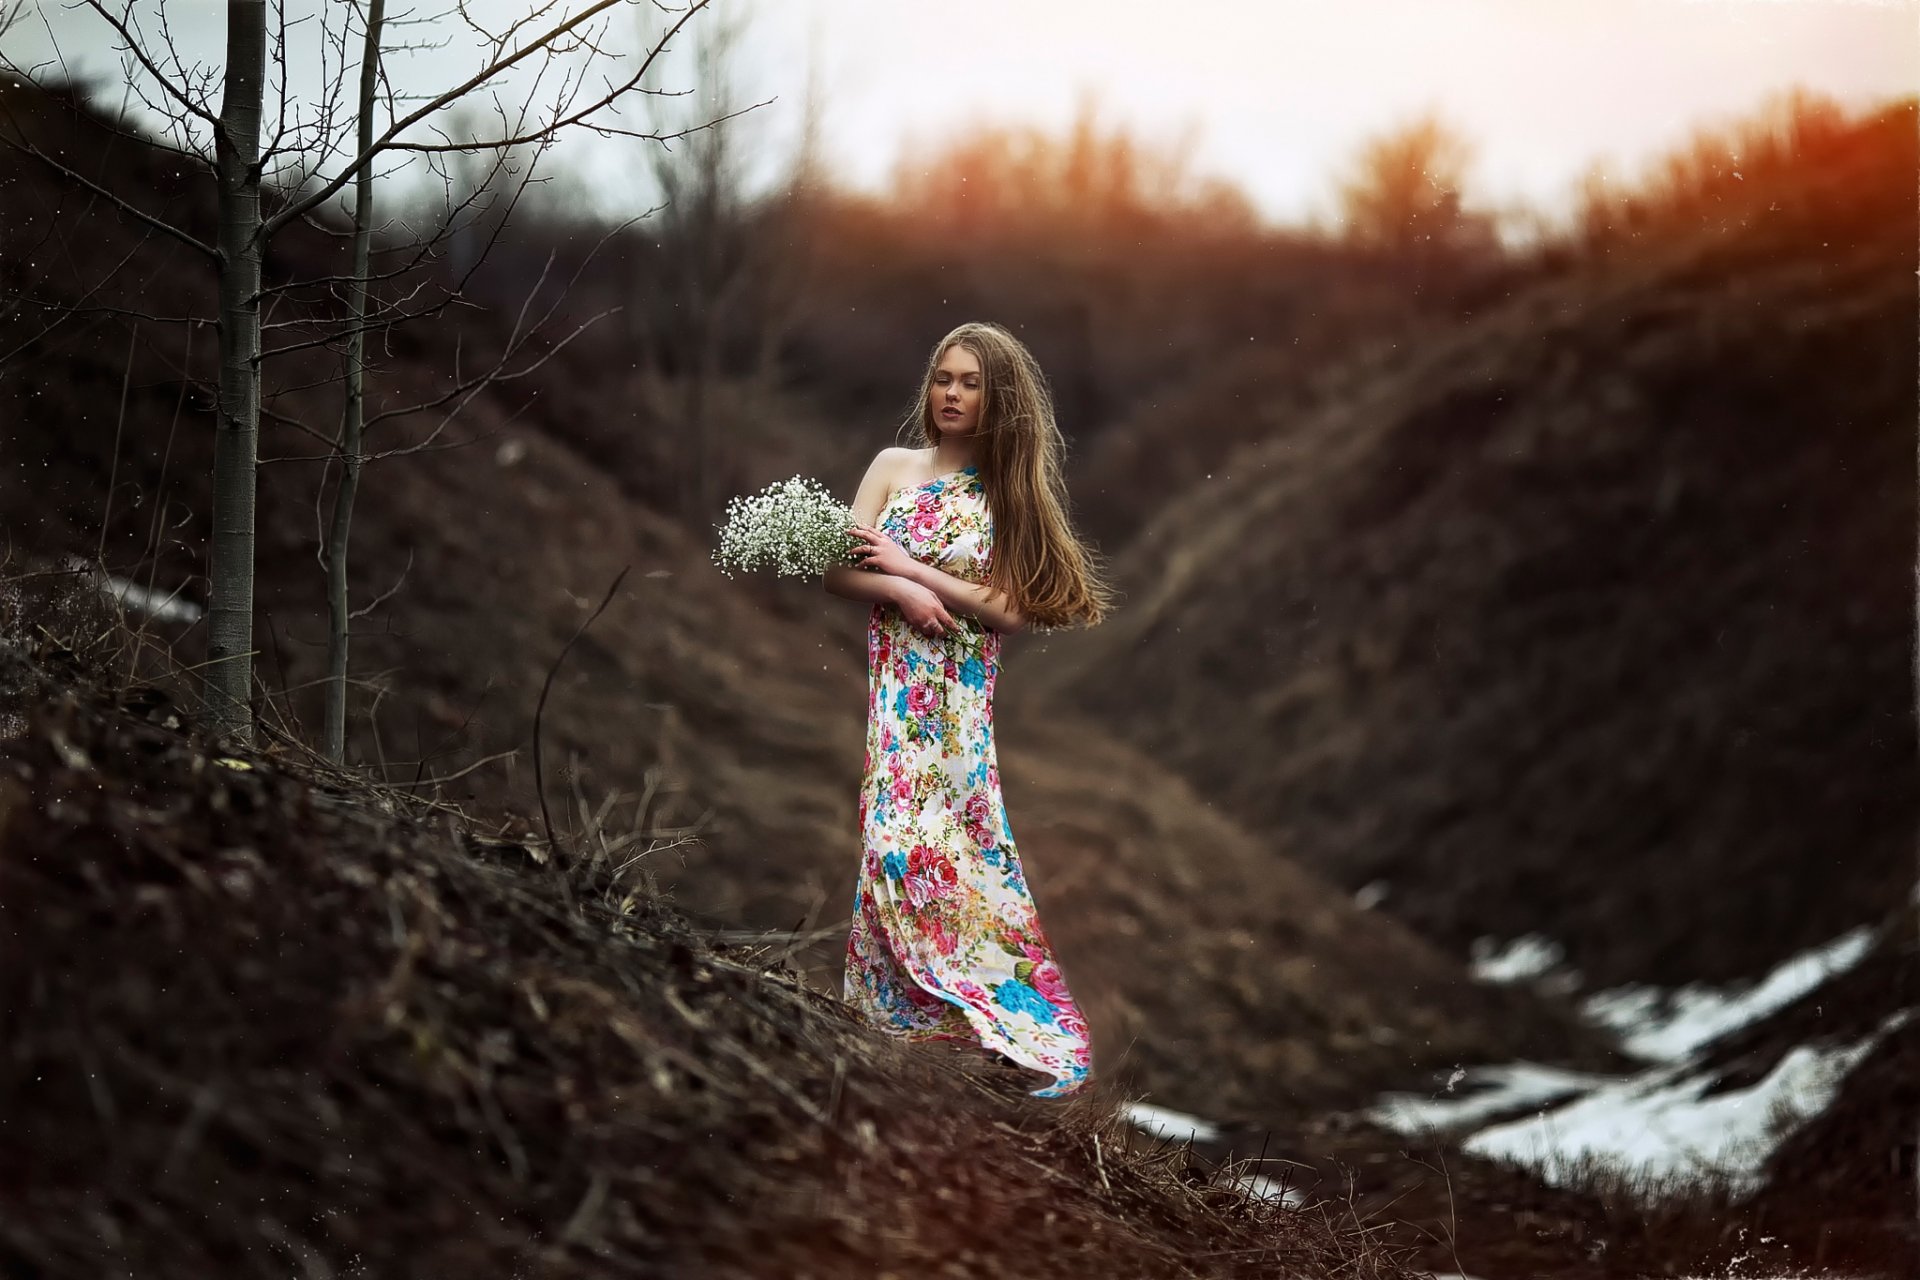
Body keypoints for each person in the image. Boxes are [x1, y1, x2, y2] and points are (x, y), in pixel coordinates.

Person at [822, 321, 1114, 1098]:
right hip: (896, 697)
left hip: (955, 709)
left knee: (946, 856)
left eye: (971, 383)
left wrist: (918, 572)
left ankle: (998, 1022)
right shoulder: (893, 466)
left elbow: (1012, 608)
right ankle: (908, 1025)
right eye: (944, 378)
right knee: (890, 850)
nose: (951, 394)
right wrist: (898, 587)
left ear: (999, 398)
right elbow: (838, 570)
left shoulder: (1007, 492)